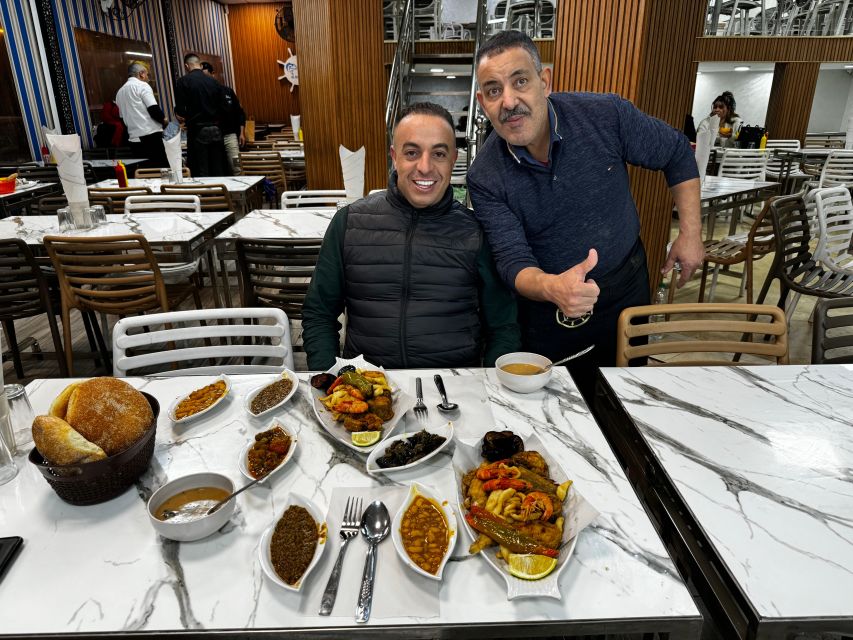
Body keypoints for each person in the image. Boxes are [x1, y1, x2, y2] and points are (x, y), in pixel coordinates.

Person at [466, 30, 704, 401]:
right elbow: (513, 261)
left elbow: (676, 152)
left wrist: (690, 233)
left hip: (626, 284)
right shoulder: (485, 175)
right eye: (494, 90)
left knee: (629, 395)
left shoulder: (604, 115)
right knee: (560, 404)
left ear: (545, 81)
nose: (509, 101)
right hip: (549, 308)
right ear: (483, 102)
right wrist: (553, 288)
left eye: (520, 81)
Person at [302, 102, 521, 371]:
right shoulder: (348, 223)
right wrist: (330, 380)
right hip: (368, 393)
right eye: (412, 152)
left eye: (439, 154)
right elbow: (319, 314)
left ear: (454, 159)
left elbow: (503, 327)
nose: (425, 167)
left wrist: (489, 387)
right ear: (394, 156)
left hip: (455, 392)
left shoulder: (477, 232)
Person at [174, 53, 229, 177]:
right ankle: (221, 194)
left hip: (197, 130)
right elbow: (224, 107)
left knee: (201, 169)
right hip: (216, 129)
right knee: (218, 168)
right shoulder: (214, 82)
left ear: (187, 66)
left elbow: (181, 111)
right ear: (199, 64)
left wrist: (180, 114)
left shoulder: (183, 82)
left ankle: (206, 195)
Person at [114, 63, 168, 168]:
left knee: (144, 171)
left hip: (134, 139)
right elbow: (153, 109)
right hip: (151, 136)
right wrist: (164, 120)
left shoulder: (119, 92)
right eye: (147, 75)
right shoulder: (142, 86)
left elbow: (121, 118)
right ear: (141, 74)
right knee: (161, 169)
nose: (148, 78)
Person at [201, 61, 246, 175]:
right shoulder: (203, 95)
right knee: (218, 169)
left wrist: (242, 133)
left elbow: (240, 112)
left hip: (230, 134)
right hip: (213, 137)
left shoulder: (227, 91)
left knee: (236, 167)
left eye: (207, 75)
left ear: (213, 74)